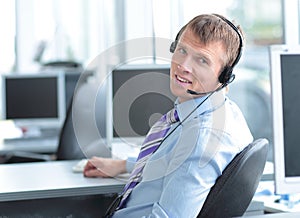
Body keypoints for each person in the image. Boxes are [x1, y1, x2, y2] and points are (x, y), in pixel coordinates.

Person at [83, 13, 253, 217]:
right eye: (182, 50)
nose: (183, 66)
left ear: (224, 76)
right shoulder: (220, 111)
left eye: (202, 60)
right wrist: (122, 165)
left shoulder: (201, 137)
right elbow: (171, 163)